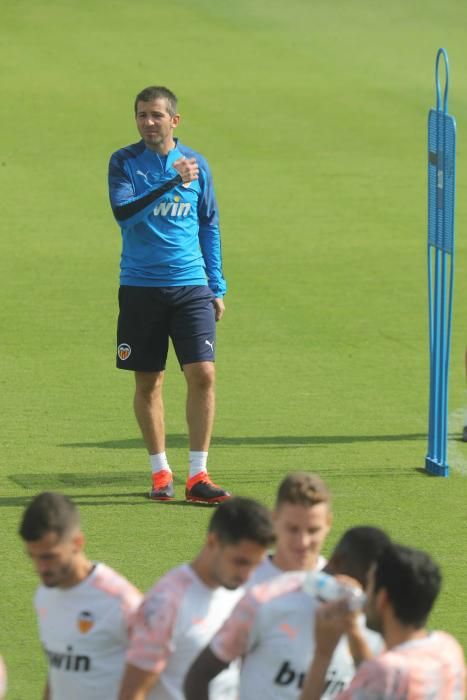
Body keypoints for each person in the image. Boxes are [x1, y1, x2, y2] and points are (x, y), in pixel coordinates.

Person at [108, 85, 229, 503]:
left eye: (156, 115)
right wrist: (168, 181)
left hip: (191, 285)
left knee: (204, 374)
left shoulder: (198, 165)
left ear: (174, 120)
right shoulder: (124, 162)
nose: (148, 122)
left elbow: (208, 224)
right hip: (141, 287)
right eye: (142, 115)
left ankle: (198, 476)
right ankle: (161, 473)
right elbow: (124, 214)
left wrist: (217, 284)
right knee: (149, 382)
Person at [184, 526, 390, 700]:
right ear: (337, 562)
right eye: (363, 584)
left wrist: (355, 632)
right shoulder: (270, 602)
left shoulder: (369, 623)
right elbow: (199, 676)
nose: (364, 597)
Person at [118, 497, 275, 700]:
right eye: (240, 562)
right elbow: (132, 693)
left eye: (255, 564)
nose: (247, 574)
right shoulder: (167, 603)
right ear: (212, 542)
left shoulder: (242, 589)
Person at [299, 543, 466, 700]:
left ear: (382, 599)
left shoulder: (385, 672)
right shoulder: (448, 648)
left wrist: (323, 653)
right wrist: (353, 629)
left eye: (369, 586)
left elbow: (382, 677)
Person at [19, 492, 143, 700]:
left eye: (49, 557)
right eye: (33, 556)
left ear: (77, 543)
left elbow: (155, 677)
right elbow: (58, 669)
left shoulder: (121, 602)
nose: (40, 568)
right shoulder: (44, 594)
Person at [249, 472, 332, 586]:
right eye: (293, 529)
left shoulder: (340, 588)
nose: (303, 542)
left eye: (313, 530)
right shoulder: (244, 583)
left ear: (328, 524)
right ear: (274, 520)